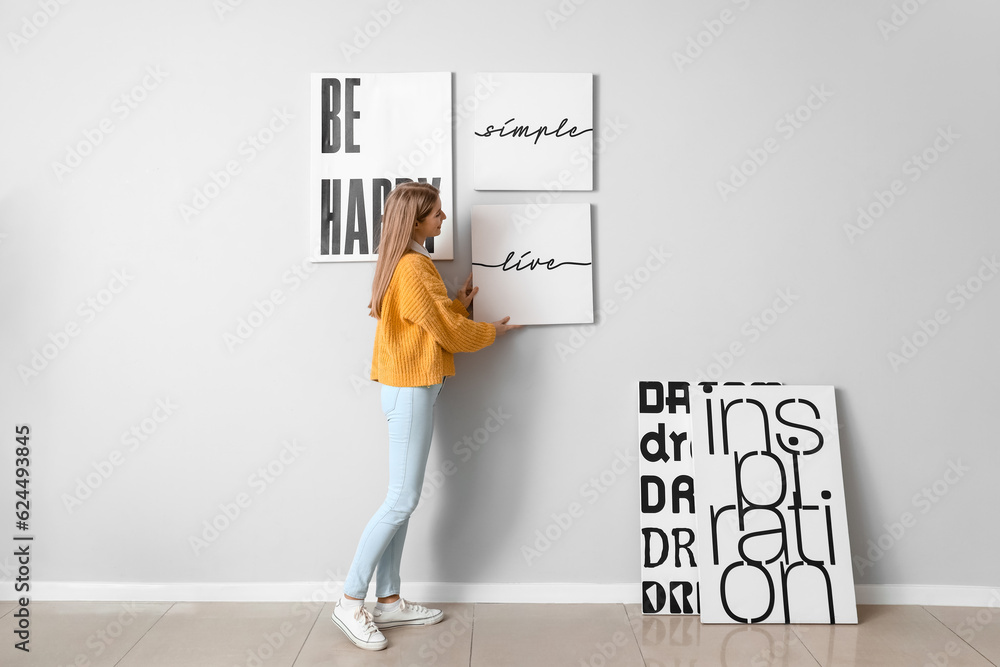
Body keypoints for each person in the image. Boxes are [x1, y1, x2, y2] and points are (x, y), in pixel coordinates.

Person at [331, 182, 520, 651]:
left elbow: (429, 323)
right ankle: (351, 600)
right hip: (410, 390)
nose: (443, 219)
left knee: (403, 499)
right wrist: (487, 331)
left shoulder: (409, 262)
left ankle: (389, 600)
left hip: (410, 387)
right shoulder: (414, 266)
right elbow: (449, 333)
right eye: (436, 213)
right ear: (416, 220)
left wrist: (457, 305)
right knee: (401, 499)